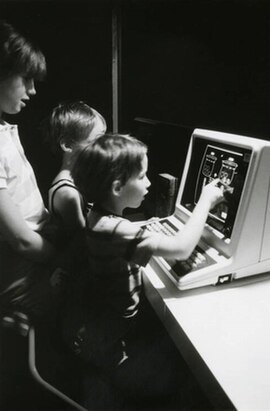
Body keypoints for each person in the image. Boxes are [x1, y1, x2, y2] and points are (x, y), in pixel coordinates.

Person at [63, 133, 224, 408]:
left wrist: (150, 227)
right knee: (189, 373)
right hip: (116, 346)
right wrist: (205, 202)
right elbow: (182, 248)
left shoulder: (98, 215)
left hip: (108, 329)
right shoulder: (117, 230)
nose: (149, 182)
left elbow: (127, 238)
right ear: (117, 187)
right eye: (142, 176)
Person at [0, 20, 59, 322]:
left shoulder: (4, 129)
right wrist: (65, 258)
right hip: (21, 270)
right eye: (26, 79)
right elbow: (21, 239)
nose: (33, 90)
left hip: (32, 253)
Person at [46, 100, 107, 237]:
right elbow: (83, 243)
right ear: (67, 145)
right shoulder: (67, 193)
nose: (104, 147)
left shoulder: (78, 180)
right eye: (97, 140)